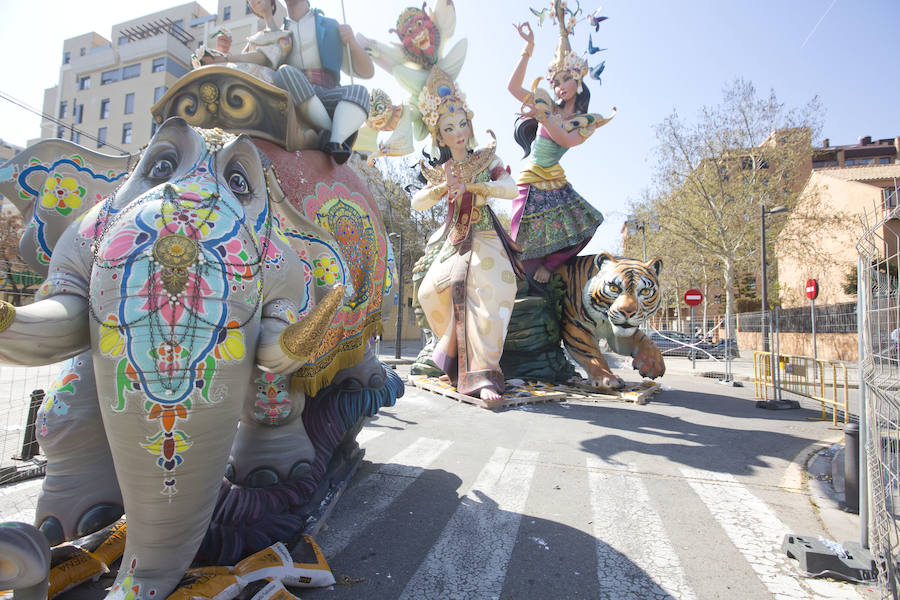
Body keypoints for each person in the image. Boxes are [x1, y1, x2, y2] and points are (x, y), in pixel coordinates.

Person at [412, 68, 522, 406]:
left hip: (485, 233)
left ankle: (485, 371)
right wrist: (445, 188)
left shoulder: (488, 158)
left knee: (496, 285)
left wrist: (477, 186)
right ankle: (457, 360)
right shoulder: (441, 170)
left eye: (461, 124)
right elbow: (417, 201)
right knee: (429, 291)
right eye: (449, 129)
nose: (458, 133)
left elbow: (511, 188)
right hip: (454, 241)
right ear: (440, 138)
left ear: (469, 123)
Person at [506, 3, 614, 284]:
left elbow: (565, 139)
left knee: (585, 225)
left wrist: (544, 115)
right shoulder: (547, 106)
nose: (559, 87)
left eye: (566, 79)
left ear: (578, 79)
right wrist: (527, 48)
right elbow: (513, 88)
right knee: (521, 243)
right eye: (555, 82)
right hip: (530, 180)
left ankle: (551, 268)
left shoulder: (584, 121)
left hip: (555, 182)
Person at [202, 0, 374, 164]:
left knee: (359, 92)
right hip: (297, 94)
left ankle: (335, 141)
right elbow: (259, 61)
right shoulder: (280, 33)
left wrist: (351, 41)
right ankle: (331, 132)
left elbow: (366, 71)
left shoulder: (329, 26)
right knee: (285, 73)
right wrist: (223, 57)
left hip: (328, 93)